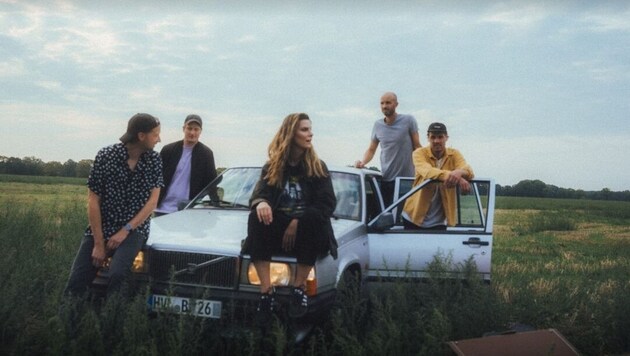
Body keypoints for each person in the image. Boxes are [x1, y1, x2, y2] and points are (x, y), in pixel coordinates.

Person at [244, 113, 337, 324]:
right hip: (279, 229)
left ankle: (298, 288)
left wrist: (297, 221)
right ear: (291, 133)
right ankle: (266, 292)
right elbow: (259, 194)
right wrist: (262, 202)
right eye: (304, 129)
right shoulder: (273, 166)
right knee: (255, 217)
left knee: (313, 220)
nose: (310, 134)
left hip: (308, 230)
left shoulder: (317, 167)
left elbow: (327, 204)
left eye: (310, 129)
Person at [64, 113, 164, 297]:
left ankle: (113, 319)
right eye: (156, 134)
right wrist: (98, 243)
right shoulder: (106, 156)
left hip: (134, 229)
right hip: (102, 225)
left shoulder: (154, 160)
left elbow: (152, 202)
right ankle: (67, 322)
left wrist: (125, 230)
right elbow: (93, 200)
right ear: (142, 136)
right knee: (77, 281)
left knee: (117, 274)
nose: (159, 139)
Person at [402, 122, 474, 230]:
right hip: (413, 217)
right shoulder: (419, 153)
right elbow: (428, 172)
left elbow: (469, 170)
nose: (436, 141)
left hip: (439, 221)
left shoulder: (454, 154)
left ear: (446, 138)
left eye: (440, 137)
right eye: (433, 137)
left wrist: (459, 173)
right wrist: (456, 178)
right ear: (428, 138)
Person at [355, 92, 421, 206]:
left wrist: (427, 167)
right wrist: (363, 162)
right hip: (386, 179)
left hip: (406, 181)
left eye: (388, 103)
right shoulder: (377, 125)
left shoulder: (409, 120)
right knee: (385, 217)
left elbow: (417, 146)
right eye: (382, 103)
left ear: (396, 104)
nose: (384, 106)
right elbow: (371, 149)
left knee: (404, 217)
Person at [155, 114, 217, 215]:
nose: (192, 132)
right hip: (163, 209)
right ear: (184, 129)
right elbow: (156, 179)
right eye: (189, 128)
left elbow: (211, 183)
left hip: (189, 210)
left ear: (201, 131)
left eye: (196, 129)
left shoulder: (206, 154)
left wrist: (215, 204)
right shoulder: (168, 150)